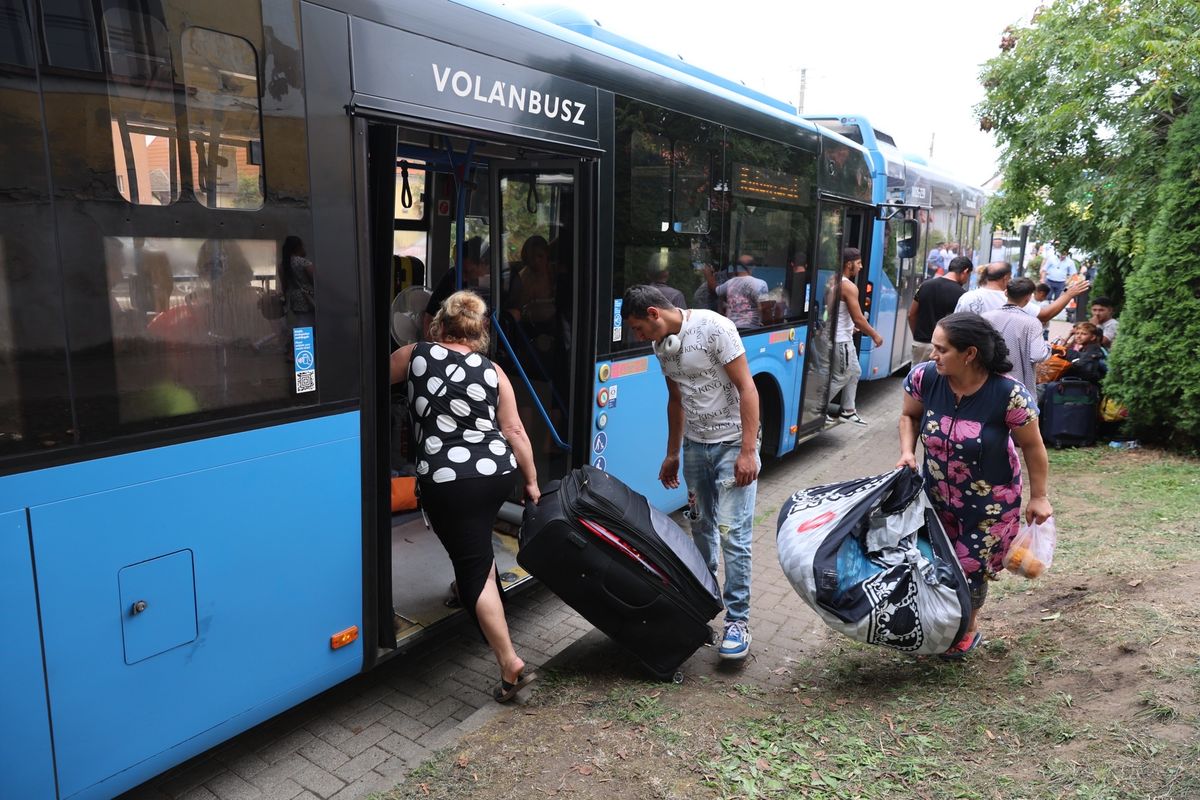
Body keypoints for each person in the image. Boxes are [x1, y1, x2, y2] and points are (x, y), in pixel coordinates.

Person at [389, 290, 540, 702]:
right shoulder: (493, 371)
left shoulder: (414, 354)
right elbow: (515, 432)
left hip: (449, 480)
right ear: (481, 331)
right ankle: (465, 586)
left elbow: (364, 389)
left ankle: (509, 663)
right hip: (495, 473)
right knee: (472, 544)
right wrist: (530, 482)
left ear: (439, 322)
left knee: (475, 567)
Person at [897, 312, 1053, 658]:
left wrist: (1039, 496)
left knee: (969, 569)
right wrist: (907, 452)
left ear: (969, 353)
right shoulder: (925, 378)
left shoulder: (1009, 394)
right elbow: (909, 415)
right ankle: (936, 622)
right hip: (935, 493)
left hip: (990, 504)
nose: (932, 355)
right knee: (933, 561)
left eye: (942, 349)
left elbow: (1033, 446)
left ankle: (967, 628)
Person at [620, 284, 761, 661]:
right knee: (700, 527)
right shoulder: (660, 345)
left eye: (638, 328)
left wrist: (748, 451)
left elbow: (748, 388)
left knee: (733, 534)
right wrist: (672, 453)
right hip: (696, 447)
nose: (638, 337)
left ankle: (738, 622)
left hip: (732, 445)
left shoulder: (716, 328)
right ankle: (701, 600)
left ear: (654, 314)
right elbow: (676, 398)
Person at [827, 247, 883, 425]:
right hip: (841, 339)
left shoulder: (833, 280)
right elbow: (858, 319)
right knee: (842, 376)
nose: (861, 267)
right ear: (849, 264)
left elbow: (832, 313)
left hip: (841, 335)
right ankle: (816, 409)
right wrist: (875, 335)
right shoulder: (848, 286)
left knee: (855, 371)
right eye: (858, 263)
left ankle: (848, 411)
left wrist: (849, 327)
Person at [982, 277, 1050, 391]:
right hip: (1018, 388)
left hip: (987, 382)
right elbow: (1038, 355)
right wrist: (1048, 347)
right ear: (1028, 298)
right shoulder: (1032, 323)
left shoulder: (985, 317)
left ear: (1006, 292)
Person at [908, 255, 971, 366]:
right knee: (939, 381)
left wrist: (917, 336)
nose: (966, 280)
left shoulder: (925, 286)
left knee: (917, 379)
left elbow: (911, 314)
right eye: (968, 275)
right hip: (945, 347)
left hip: (921, 343)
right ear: (965, 271)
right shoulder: (962, 295)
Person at [423, 236, 490, 339]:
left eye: (467, 272)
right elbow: (430, 315)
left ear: (483, 263)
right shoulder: (452, 277)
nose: (462, 278)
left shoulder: (496, 283)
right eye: (460, 271)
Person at [715, 254, 769, 328]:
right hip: (751, 329)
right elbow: (764, 308)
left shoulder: (729, 283)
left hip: (731, 328)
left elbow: (717, 291)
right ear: (752, 267)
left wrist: (721, 310)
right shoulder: (760, 284)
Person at [279, 235, 315, 329]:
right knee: (308, 323)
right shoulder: (303, 262)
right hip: (307, 298)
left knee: (302, 324)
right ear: (298, 247)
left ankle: (303, 342)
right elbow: (316, 281)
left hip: (294, 299)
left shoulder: (283, 264)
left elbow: (284, 286)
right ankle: (310, 343)